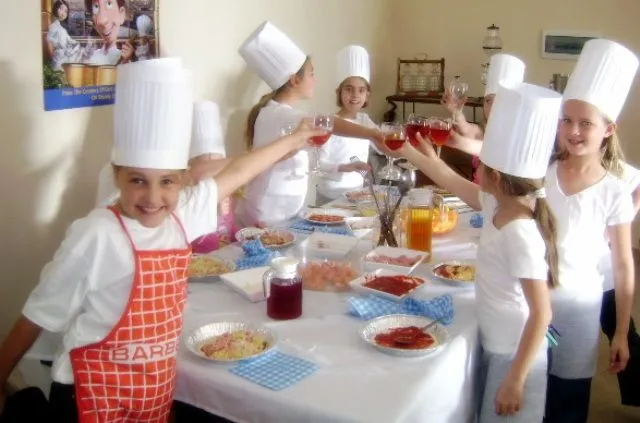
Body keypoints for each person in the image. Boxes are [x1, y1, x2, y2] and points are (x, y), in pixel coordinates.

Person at [0, 58, 324, 421]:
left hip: (151, 395)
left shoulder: (183, 215)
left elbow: (240, 170)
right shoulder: (97, 233)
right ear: (117, 175)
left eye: (166, 181)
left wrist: (295, 138)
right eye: (137, 180)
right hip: (89, 394)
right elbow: (37, 313)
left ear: (183, 180)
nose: (153, 197)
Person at [399, 82, 561, 422]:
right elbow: (445, 176)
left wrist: (515, 379)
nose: (476, 168)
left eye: (480, 165)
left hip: (516, 356)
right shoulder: (496, 205)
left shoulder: (520, 233)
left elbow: (541, 314)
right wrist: (408, 149)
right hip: (498, 343)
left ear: (496, 176)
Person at [544, 39, 638, 422]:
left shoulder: (614, 190)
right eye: (567, 120)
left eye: (586, 123)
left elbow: (623, 267)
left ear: (607, 128)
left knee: (568, 396)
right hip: (536, 307)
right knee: (536, 389)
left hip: (579, 313)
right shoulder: (544, 171)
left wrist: (619, 332)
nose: (574, 130)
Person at [236, 21, 383, 226]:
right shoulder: (278, 114)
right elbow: (328, 122)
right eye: (311, 74)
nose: (315, 80)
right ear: (295, 80)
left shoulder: (281, 112)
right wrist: (371, 134)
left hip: (284, 213)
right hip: (266, 213)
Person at [441, 54, 525, 183]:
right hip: (476, 196)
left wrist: (460, 142)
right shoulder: (483, 131)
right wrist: (456, 112)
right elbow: (467, 129)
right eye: (488, 101)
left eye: (499, 101)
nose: (491, 107)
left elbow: (490, 148)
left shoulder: (519, 139)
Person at [315, 45, 377, 204]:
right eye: (349, 89)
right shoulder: (329, 123)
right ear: (339, 92)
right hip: (330, 195)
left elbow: (382, 144)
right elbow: (318, 164)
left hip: (358, 193)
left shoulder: (365, 121)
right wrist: (344, 167)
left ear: (367, 95)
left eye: (361, 90)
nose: (355, 95)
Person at [84, 0, 133, 66]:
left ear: (121, 13)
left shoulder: (121, 55)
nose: (101, 21)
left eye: (109, 4)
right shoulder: (94, 54)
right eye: (96, 7)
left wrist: (127, 59)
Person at [46, 0, 82, 70]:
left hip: (64, 55)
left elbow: (68, 39)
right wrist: (57, 44)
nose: (63, 13)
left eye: (65, 11)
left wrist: (75, 42)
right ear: (56, 9)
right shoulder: (53, 26)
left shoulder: (62, 28)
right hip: (59, 57)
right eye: (61, 9)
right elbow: (48, 40)